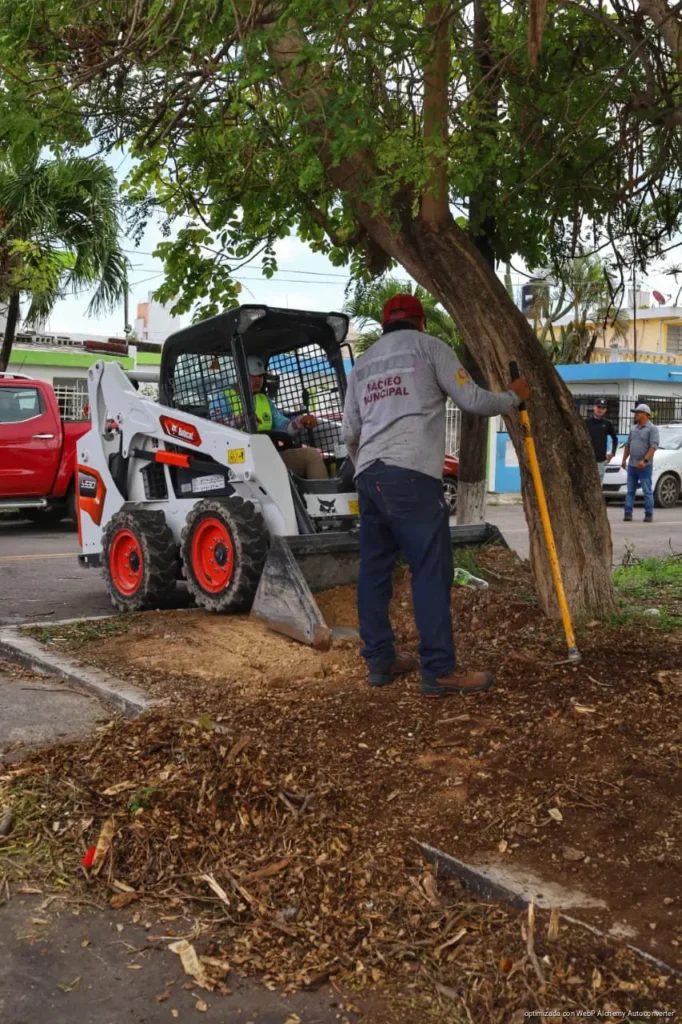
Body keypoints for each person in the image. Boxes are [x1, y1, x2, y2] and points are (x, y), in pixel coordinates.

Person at [342, 294, 530, 699]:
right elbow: (473, 400)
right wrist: (514, 396)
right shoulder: (430, 348)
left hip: (369, 476)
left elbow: (349, 434)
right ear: (422, 322)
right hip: (411, 477)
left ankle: (380, 661)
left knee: (374, 573)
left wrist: (369, 468)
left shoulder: (364, 363)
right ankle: (440, 670)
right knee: (430, 570)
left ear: (383, 323)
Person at [209, 356, 328, 479]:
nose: (258, 380)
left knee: (312, 455)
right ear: (240, 376)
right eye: (253, 375)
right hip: (237, 461)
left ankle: (323, 496)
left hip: (269, 456)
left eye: (260, 376)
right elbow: (215, 428)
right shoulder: (223, 398)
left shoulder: (264, 400)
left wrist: (300, 421)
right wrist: (240, 420)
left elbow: (285, 427)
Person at [622, 403, 659, 523]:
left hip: (645, 466)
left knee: (647, 490)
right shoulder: (633, 428)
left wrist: (645, 461)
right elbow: (628, 445)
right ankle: (628, 513)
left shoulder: (652, 429)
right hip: (632, 465)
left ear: (645, 414)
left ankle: (649, 513)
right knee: (630, 490)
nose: (635, 415)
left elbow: (653, 447)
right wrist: (624, 460)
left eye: (637, 413)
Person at [587, 399, 619, 482]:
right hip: (587, 459)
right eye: (598, 407)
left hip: (600, 459)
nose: (600, 409)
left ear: (605, 410)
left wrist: (613, 453)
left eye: (603, 408)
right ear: (594, 407)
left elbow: (615, 438)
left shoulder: (607, 423)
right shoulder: (586, 422)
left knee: (599, 483)